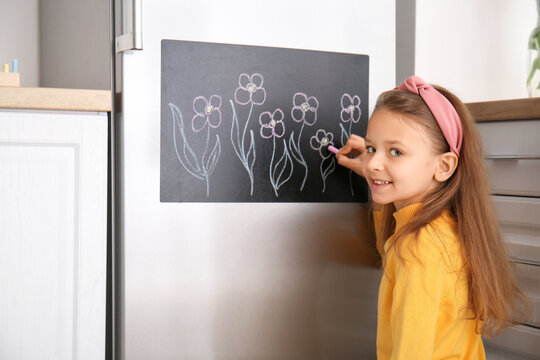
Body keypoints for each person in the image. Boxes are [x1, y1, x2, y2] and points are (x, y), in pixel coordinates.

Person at [336, 76, 529, 359]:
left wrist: (378, 175)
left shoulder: (418, 250)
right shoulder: (442, 226)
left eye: (396, 151)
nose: (374, 163)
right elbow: (389, 252)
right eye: (371, 148)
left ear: (443, 166)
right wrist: (374, 173)